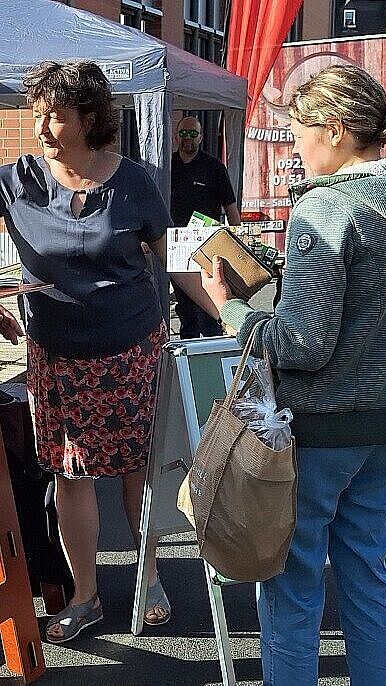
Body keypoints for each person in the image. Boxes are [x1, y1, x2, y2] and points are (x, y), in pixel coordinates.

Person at [201, 65, 386, 686]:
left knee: (292, 580)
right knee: (368, 574)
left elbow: (304, 341)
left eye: (298, 133)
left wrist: (230, 308)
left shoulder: (326, 209)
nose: (293, 148)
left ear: (335, 131)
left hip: (325, 421)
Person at [0, 61, 219, 643]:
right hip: (55, 355)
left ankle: (149, 578)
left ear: (91, 117)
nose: (42, 127)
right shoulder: (14, 181)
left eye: (57, 116)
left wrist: (232, 314)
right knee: (70, 477)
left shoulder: (136, 182)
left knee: (136, 472)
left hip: (129, 350)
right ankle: (86, 595)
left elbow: (174, 259)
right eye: (38, 113)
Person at [171, 115, 241, 338]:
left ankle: (211, 359)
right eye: (183, 133)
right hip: (177, 249)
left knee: (209, 312)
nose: (188, 138)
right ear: (176, 136)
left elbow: (230, 207)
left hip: (207, 249)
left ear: (201, 137)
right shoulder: (167, 167)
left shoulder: (214, 168)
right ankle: (186, 364)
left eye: (193, 134)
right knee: (185, 311)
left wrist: (238, 239)